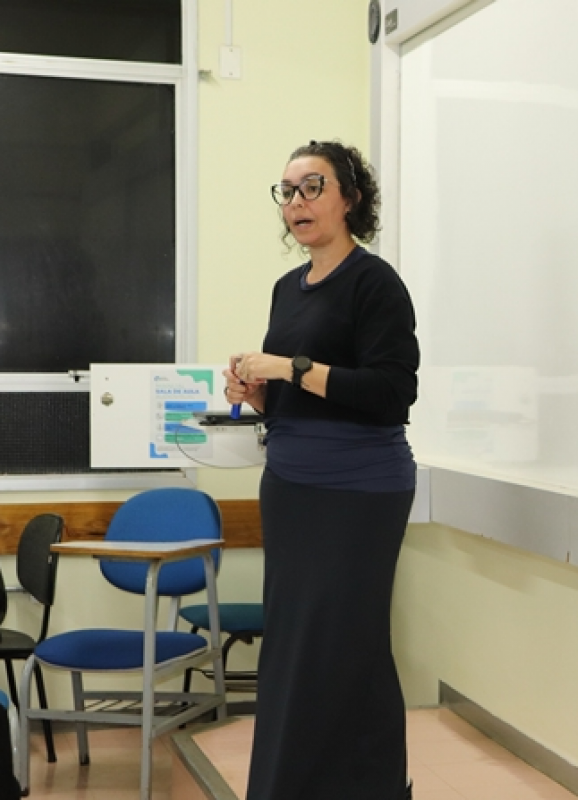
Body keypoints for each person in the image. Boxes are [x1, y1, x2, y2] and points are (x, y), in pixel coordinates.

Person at [225, 140, 418, 800]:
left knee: (345, 645)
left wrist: (289, 368)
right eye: (288, 191)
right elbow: (296, 397)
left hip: (360, 492)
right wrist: (259, 394)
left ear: (350, 198)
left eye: (313, 186)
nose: (297, 202)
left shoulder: (375, 283)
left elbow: (391, 392)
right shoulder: (287, 289)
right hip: (290, 486)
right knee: (293, 647)